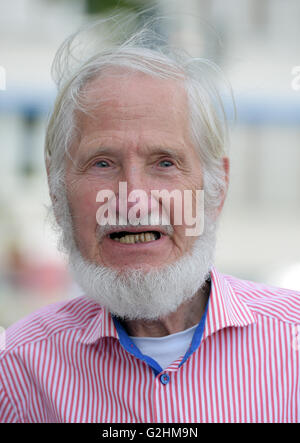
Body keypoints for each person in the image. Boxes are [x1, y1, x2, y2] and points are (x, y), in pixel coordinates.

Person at [0, 19, 299, 424]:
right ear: (56, 190)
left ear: (217, 187)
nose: (134, 199)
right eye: (102, 163)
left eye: (165, 163)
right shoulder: (17, 371)